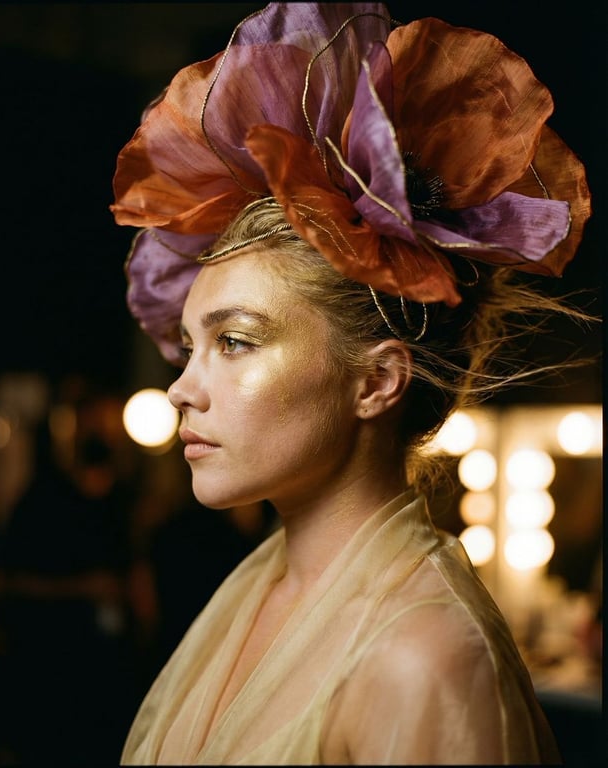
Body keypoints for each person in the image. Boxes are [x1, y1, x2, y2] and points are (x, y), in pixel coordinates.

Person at [110, 3, 593, 763]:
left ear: (377, 382)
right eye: (189, 347)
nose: (180, 390)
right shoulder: (257, 593)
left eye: (234, 342)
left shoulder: (424, 657)